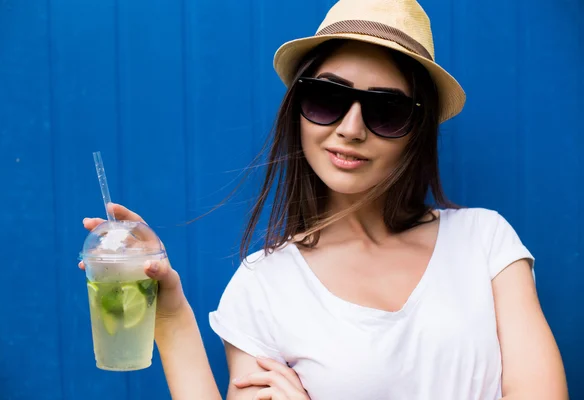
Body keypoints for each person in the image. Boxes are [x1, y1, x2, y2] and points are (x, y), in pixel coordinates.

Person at [80, 0, 568, 398]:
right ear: (298, 111)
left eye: (387, 109)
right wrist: (169, 317)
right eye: (327, 99)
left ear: (416, 131)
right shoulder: (262, 286)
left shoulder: (486, 243)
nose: (350, 129)